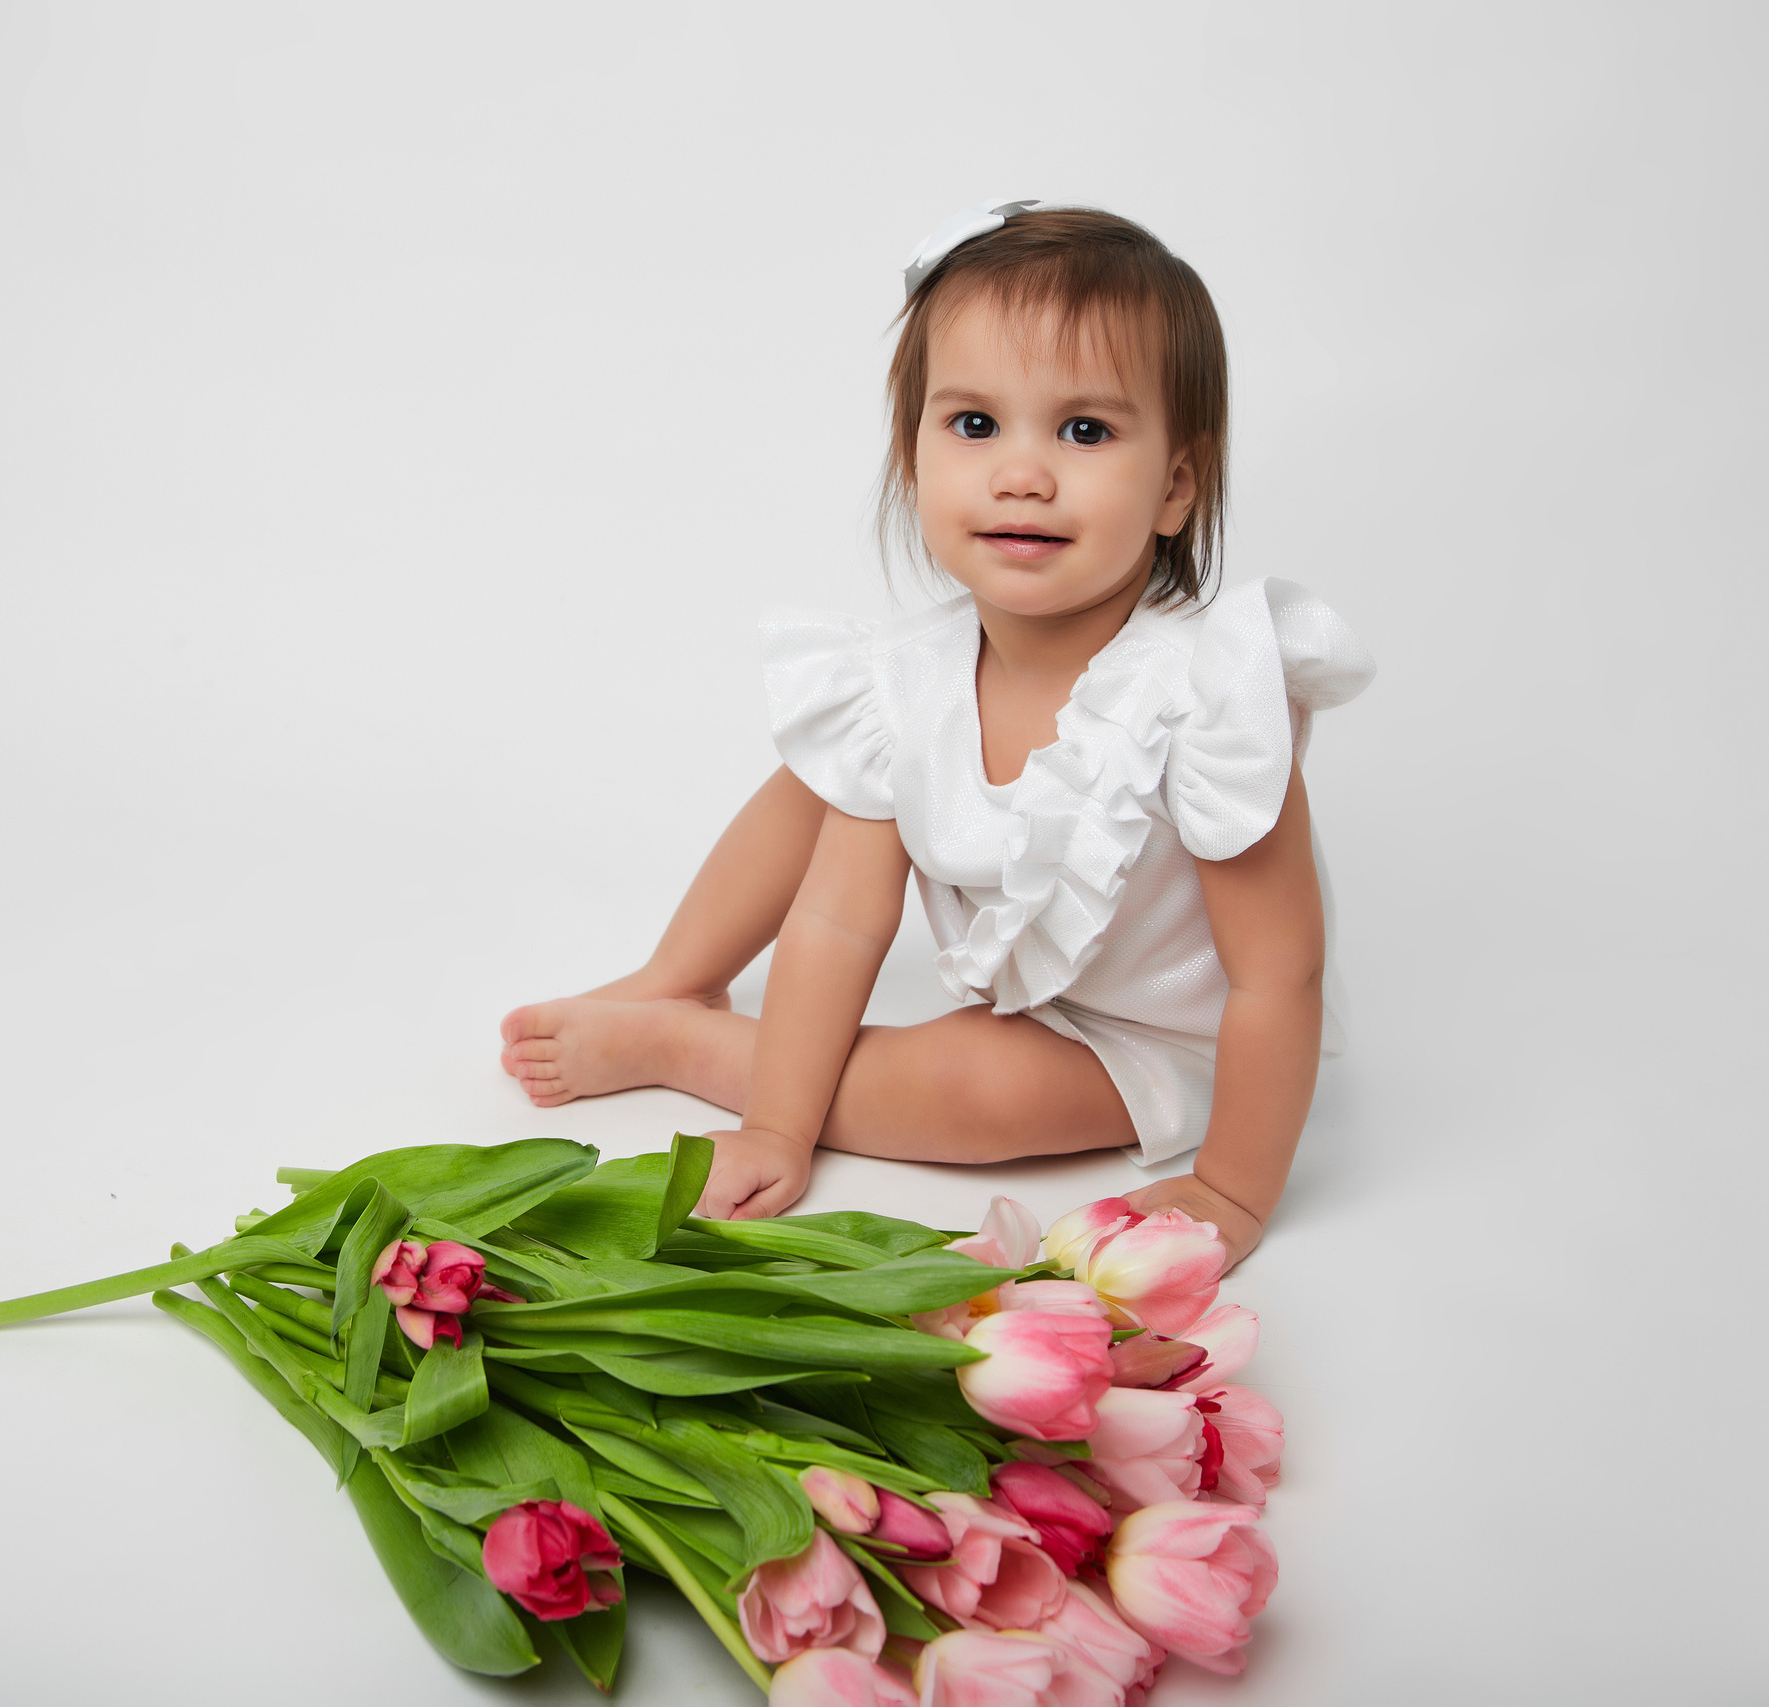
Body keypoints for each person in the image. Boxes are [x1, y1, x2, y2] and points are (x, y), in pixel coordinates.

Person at [499, 202, 1372, 1272]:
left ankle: (690, 1043)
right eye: (973, 426)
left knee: (973, 1094)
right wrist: (777, 1126)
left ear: (1175, 488)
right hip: (1036, 984)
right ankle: (675, 977)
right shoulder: (907, 676)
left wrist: (1234, 1189)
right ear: (912, 458)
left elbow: (1276, 974)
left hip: (1155, 1040)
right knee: (820, 779)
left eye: (1084, 431)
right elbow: (836, 920)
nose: (1022, 473)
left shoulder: (1204, 694)